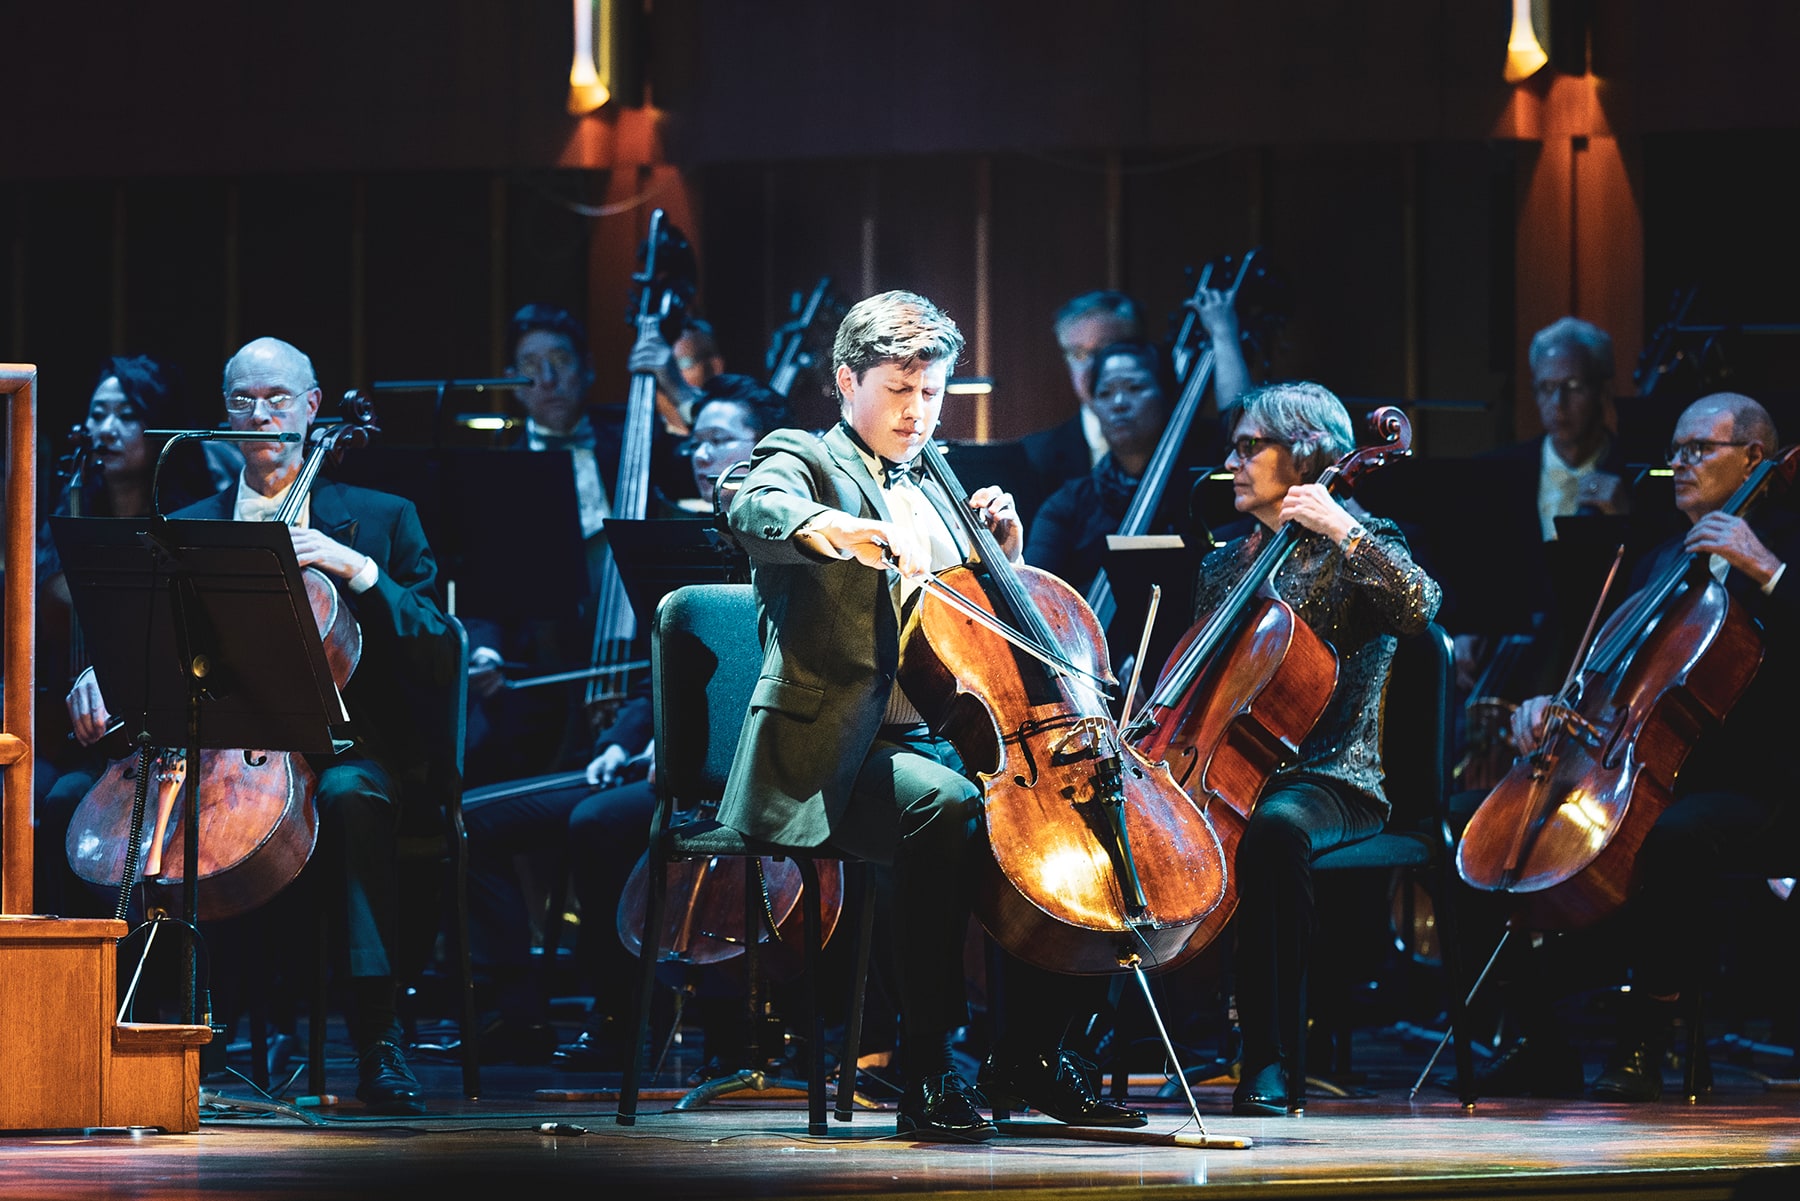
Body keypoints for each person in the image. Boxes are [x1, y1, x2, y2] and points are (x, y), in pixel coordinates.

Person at [720, 289, 1148, 1141]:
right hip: (839, 747)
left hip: (951, 738)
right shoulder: (803, 455)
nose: (918, 413)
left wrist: (1008, 555)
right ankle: (924, 1066)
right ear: (848, 380)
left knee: (1083, 811)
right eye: (900, 391)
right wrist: (835, 529)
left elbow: (975, 630)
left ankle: (1033, 1049)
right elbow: (748, 501)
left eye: (932, 393)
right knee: (944, 806)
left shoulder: (942, 476)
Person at [62, 337, 456, 1116]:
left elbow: (439, 647)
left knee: (351, 800)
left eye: (278, 398)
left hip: (343, 747)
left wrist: (358, 570)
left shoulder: (380, 520)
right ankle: (168, 1021)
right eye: (243, 401)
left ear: (314, 408)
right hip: (215, 748)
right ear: (224, 414)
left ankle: (378, 1035)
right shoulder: (189, 522)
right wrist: (103, 668)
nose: (260, 414)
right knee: (137, 815)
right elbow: (148, 637)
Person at [1464, 391, 1797, 1103]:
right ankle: (1542, 1041)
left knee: (1672, 835)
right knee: (1488, 825)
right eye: (1674, 450)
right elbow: (1614, 679)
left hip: (1757, 782)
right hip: (1646, 763)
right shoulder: (1658, 558)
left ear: (1753, 459)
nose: (1677, 464)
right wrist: (1552, 707)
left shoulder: (1787, 543)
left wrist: (1766, 567)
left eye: (1697, 449)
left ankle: (1646, 1036)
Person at [455, 374, 789, 1068]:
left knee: (598, 823)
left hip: (743, 768)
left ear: (768, 448)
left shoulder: (790, 547)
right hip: (665, 757)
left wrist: (669, 745)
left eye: (721, 440)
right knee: (472, 819)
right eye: (697, 441)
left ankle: (627, 1015)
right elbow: (658, 670)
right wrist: (620, 742)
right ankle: (521, 1012)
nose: (702, 455)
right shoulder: (679, 544)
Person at [1189, 381, 1442, 1116]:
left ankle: (1267, 1053)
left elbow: (1421, 607)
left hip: (1334, 777)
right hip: (1234, 766)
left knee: (1274, 828)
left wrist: (1344, 529)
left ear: (1304, 455)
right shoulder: (1224, 565)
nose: (1231, 463)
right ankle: (1088, 1037)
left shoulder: (1364, 541)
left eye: (1249, 447)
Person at [34, 355, 224, 916]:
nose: (106, 429)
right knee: (50, 796)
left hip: (174, 736)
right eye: (97, 414)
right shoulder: (64, 516)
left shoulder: (192, 519)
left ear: (157, 427)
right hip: (85, 736)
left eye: (127, 415)